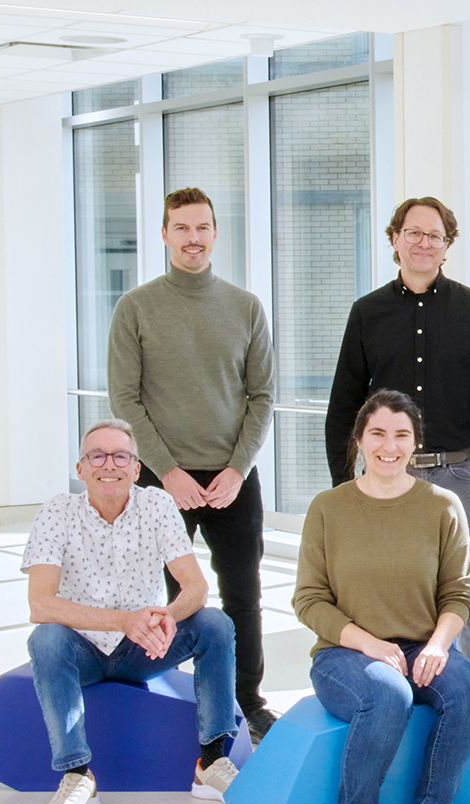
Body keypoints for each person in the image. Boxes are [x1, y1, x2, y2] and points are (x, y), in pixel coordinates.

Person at [325, 197, 470, 758]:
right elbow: (344, 405)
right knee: (385, 592)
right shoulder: (366, 313)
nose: (423, 243)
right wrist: (343, 482)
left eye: (435, 236)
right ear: (394, 239)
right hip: (386, 473)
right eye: (413, 233)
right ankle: (394, 701)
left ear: (447, 245)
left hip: (458, 472)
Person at [107, 187, 278, 742]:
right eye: (181, 228)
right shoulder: (135, 307)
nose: (193, 238)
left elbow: (262, 396)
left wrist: (237, 469)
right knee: (156, 595)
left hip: (233, 479)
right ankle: (167, 693)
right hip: (161, 478)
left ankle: (248, 700)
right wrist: (169, 472)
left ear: (214, 232)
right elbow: (125, 400)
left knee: (242, 594)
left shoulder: (246, 306)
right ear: (163, 234)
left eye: (202, 226)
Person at [292, 390, 470, 804]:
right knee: (388, 695)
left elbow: (460, 592)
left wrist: (440, 646)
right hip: (346, 653)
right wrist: (370, 644)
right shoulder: (328, 507)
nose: (390, 445)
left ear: (415, 443)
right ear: (360, 440)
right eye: (378, 433)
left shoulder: (442, 506)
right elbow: (309, 600)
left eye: (402, 435)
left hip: (422, 645)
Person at [22, 419, 238, 804]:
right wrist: (125, 620)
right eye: (97, 455)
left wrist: (164, 618)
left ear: (136, 469)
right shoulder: (56, 512)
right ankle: (77, 776)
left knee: (214, 623)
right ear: (80, 468)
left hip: (144, 648)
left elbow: (195, 586)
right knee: (46, 638)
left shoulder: (156, 505)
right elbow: (40, 603)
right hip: (82, 650)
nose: (110, 465)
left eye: (121, 456)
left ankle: (211, 762)